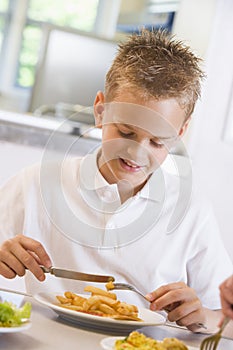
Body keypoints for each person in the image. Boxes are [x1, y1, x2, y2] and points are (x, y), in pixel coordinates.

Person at [0, 29, 232, 333]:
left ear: (181, 132)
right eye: (125, 132)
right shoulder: (34, 184)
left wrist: (206, 316)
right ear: (100, 110)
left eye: (157, 142)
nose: (136, 152)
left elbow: (225, 319)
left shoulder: (191, 211)